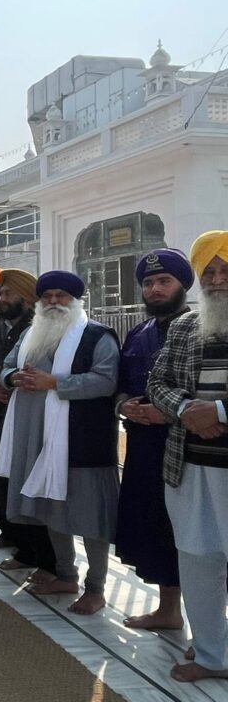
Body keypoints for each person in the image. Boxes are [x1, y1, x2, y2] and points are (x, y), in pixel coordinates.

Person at [0, 270, 120, 615]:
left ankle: (96, 588)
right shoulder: (31, 334)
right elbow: (6, 366)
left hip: (83, 440)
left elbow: (105, 380)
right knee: (52, 509)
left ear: (76, 301)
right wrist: (12, 377)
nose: (53, 302)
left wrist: (55, 382)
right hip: (37, 437)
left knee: (91, 515)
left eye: (61, 296)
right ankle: (66, 575)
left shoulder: (97, 336)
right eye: (47, 296)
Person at [148, 231, 228, 683]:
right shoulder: (182, 327)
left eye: (225, 272)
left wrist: (217, 411)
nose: (216, 281)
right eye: (209, 273)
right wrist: (184, 410)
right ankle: (214, 656)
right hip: (190, 467)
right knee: (198, 560)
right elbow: (157, 384)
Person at [115, 249, 192, 631]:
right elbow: (120, 385)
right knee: (155, 527)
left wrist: (168, 412)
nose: (155, 289)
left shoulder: (201, 326)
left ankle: (211, 625)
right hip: (144, 446)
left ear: (182, 286)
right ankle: (168, 610)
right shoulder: (138, 333)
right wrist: (125, 405)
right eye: (148, 283)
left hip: (190, 448)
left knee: (192, 533)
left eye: (164, 281)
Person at [0, 269, 56, 575]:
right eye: (0, 293)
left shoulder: (40, 329)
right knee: (2, 474)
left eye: (7, 293)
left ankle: (35, 551)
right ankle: (12, 535)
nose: (1, 299)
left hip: (29, 418)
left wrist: (11, 388)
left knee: (25, 480)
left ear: (26, 297)